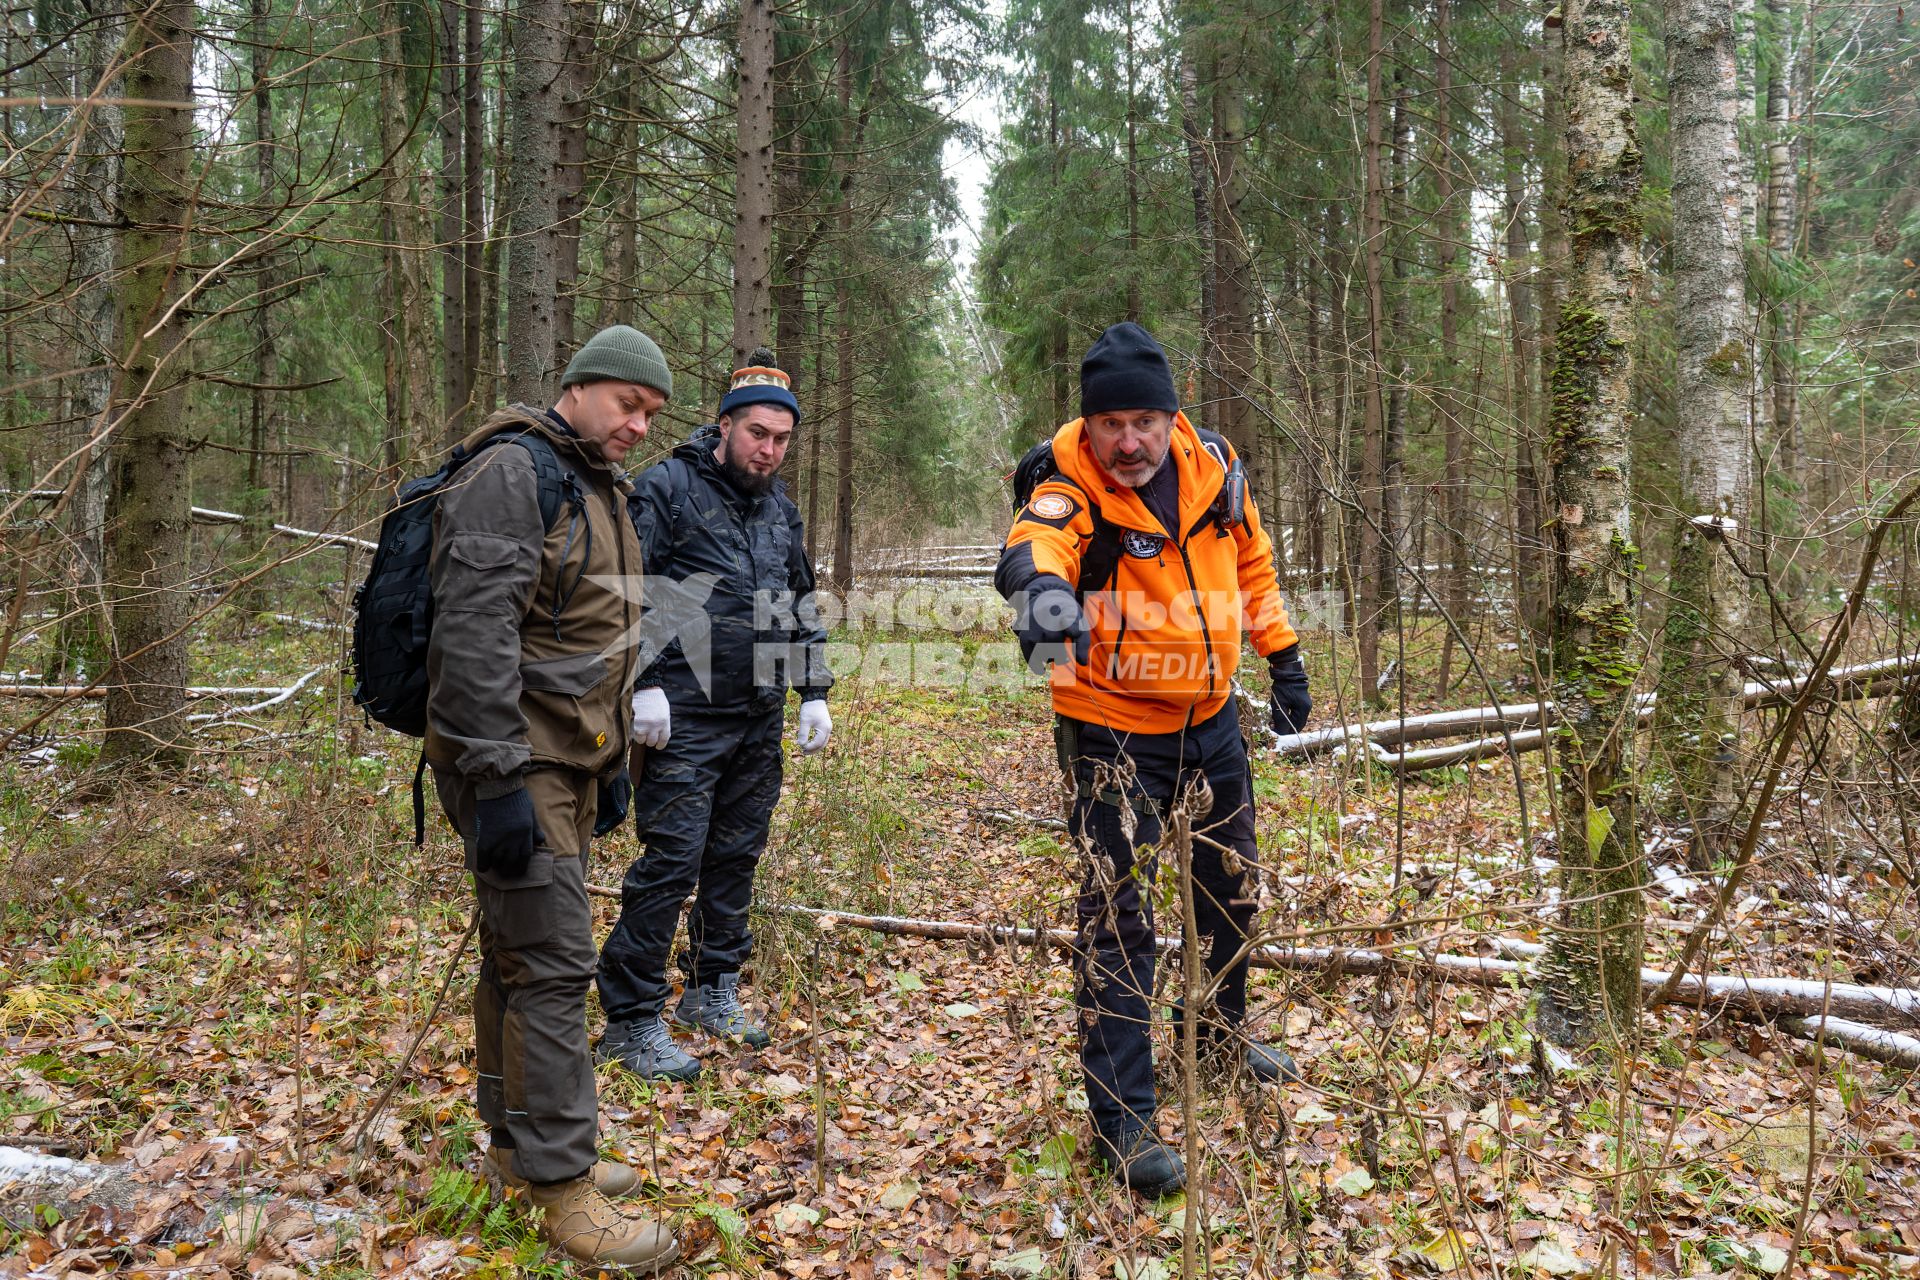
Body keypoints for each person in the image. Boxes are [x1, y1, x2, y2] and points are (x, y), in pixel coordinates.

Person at [993, 322, 1313, 1199]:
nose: (1128, 442)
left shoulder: (1215, 466)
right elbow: (1035, 546)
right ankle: (1124, 1119)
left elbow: (1252, 560)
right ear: (1086, 425)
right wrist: (1046, 599)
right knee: (1117, 920)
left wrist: (1282, 654)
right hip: (1111, 730)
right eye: (1111, 425)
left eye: (1144, 421)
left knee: (1229, 888)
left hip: (1211, 720)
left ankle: (1214, 1036)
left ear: (1171, 416)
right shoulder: (1067, 483)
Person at [425, 324, 678, 1270]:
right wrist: (496, 784)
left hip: (562, 762)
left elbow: (588, 628)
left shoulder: (590, 479)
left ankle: (515, 1149)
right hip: (511, 764)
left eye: (652, 413)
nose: (640, 424)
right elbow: (475, 633)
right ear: (581, 385)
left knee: (519, 959)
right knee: (558, 962)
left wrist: (607, 760)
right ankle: (563, 1188)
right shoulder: (513, 473)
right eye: (628, 403)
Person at [596, 353, 833, 1082]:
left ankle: (710, 989)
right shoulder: (666, 489)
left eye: (781, 439)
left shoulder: (778, 509)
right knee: (671, 860)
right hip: (685, 718)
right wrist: (643, 684)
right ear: (724, 426)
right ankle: (631, 1021)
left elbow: (796, 604)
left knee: (736, 857)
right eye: (757, 433)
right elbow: (626, 593)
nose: (767, 449)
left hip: (755, 716)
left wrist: (813, 688)